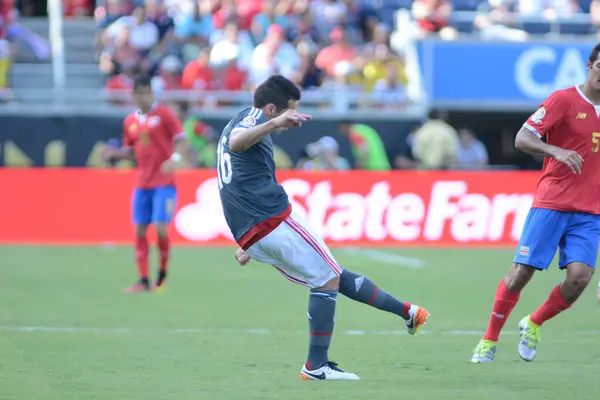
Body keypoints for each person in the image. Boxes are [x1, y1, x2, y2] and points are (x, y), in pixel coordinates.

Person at [216, 75, 430, 380]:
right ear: (272, 107)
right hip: (272, 219)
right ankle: (316, 365)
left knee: (329, 275)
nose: (292, 121)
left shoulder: (239, 123)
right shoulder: (253, 119)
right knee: (328, 278)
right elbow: (239, 143)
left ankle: (407, 312)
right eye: (289, 113)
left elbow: (235, 175)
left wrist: (248, 239)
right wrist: (273, 124)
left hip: (254, 228)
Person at [471, 43, 600, 363]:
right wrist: (556, 151)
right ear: (589, 65)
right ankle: (489, 339)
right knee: (520, 274)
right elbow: (522, 138)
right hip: (552, 203)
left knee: (580, 279)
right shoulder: (564, 100)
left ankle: (533, 322)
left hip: (590, 211)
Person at [102, 75, 188, 293]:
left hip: (164, 182)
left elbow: (182, 140)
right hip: (142, 183)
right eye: (138, 93)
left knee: (160, 228)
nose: (142, 97)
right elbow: (132, 153)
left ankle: (161, 275)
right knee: (140, 229)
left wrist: (174, 160)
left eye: (146, 92)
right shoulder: (130, 121)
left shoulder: (165, 115)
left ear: (151, 92)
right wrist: (114, 155)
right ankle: (142, 280)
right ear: (133, 95)